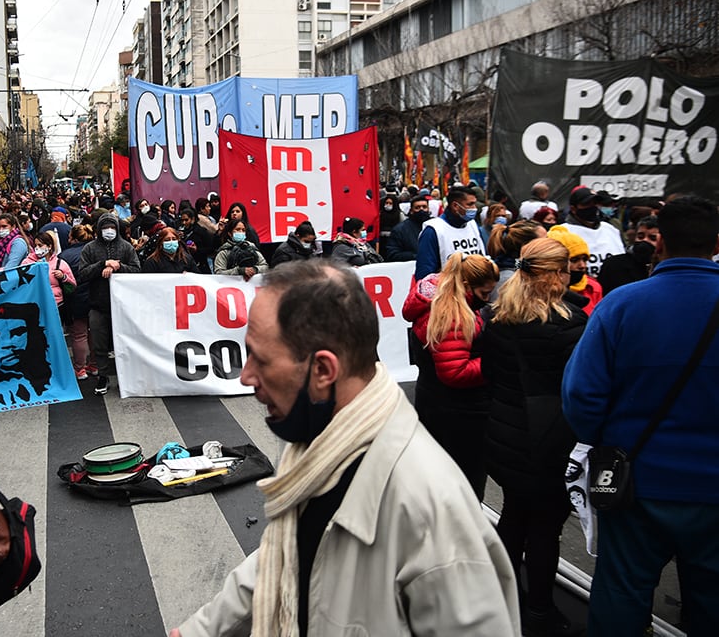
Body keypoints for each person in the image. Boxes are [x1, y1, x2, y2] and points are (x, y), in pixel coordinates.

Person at [171, 260, 519, 637]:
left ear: (323, 370)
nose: (246, 375)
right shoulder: (323, 443)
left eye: (261, 358)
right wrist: (201, 630)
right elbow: (286, 558)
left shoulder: (430, 510)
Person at [563, 196, 719, 637]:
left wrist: (609, 441)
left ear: (658, 242)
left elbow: (580, 395)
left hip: (638, 482)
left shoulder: (622, 305)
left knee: (622, 593)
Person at [481, 238, 587, 637]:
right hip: (550, 440)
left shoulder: (496, 316)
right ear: (557, 275)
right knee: (544, 527)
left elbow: (489, 373)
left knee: (513, 514)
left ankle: (503, 598)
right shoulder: (570, 323)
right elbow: (582, 388)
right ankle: (541, 610)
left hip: (505, 432)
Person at [402, 252, 498, 499]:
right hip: (459, 413)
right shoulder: (453, 315)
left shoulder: (442, 297)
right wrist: (493, 363)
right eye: (484, 294)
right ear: (466, 286)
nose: (486, 300)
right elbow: (454, 372)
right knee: (462, 486)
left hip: (436, 403)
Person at [79, 213, 141, 395]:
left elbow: (137, 270)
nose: (109, 231)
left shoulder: (126, 247)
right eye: (105, 228)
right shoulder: (89, 249)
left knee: (125, 342)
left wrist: (118, 267)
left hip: (123, 307)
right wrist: (102, 265)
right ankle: (103, 376)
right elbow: (82, 274)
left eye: (112, 228)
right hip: (98, 305)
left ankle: (126, 376)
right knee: (99, 344)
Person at [415, 186, 485, 280]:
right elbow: (425, 275)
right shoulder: (433, 231)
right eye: (470, 204)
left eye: (474, 204)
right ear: (455, 206)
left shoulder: (472, 225)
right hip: (448, 291)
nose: (474, 208)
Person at [560, 186, 624, 278]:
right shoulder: (563, 232)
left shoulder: (611, 229)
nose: (592, 207)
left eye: (595, 203)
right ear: (573, 209)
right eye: (587, 204)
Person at [59, 224, 94, 380]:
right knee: (94, 333)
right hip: (95, 297)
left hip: (75, 299)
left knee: (79, 335)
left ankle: (80, 369)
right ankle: (94, 365)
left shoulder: (65, 255)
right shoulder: (95, 251)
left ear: (72, 237)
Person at [548, 225, 603, 314]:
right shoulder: (541, 290)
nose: (582, 265)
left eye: (585, 259)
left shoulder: (593, 288)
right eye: (574, 260)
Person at [598, 214, 659, 294]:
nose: (645, 241)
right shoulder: (614, 265)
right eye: (640, 237)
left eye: (652, 238)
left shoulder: (667, 267)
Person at [486, 220, 546, 299]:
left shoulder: (522, 269)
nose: (548, 244)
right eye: (544, 241)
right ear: (526, 246)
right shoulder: (506, 279)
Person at [21, 231, 76, 310]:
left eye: (40, 245)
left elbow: (73, 285)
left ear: (49, 246)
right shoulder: (27, 262)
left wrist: (63, 277)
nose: (37, 248)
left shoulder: (60, 263)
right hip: (34, 304)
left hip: (56, 304)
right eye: (35, 245)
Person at [385, 192, 431, 262]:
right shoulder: (400, 230)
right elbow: (392, 254)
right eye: (417, 208)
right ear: (411, 211)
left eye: (424, 207)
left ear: (428, 209)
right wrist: (415, 256)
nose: (421, 210)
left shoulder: (435, 226)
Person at [179, 208, 216, 274]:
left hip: (201, 265)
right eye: (182, 220)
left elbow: (211, 248)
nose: (184, 223)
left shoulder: (201, 231)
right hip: (185, 264)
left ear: (192, 219)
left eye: (186, 220)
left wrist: (197, 250)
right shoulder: (182, 232)